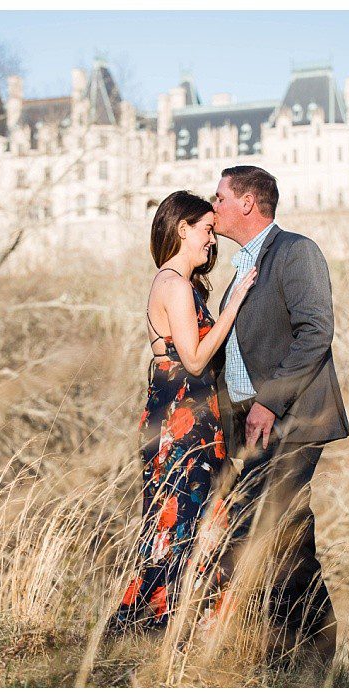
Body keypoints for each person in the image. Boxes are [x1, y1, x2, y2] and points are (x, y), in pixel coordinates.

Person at [209, 165, 349, 677]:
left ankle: (311, 655)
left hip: (293, 418)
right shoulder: (241, 269)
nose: (213, 205)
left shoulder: (296, 251)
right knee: (270, 530)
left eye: (219, 196)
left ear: (247, 202)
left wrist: (268, 401)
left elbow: (317, 330)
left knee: (272, 528)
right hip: (252, 425)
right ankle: (289, 656)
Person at [108, 190, 256, 633]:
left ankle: (188, 629)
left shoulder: (186, 285)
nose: (213, 240)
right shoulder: (171, 284)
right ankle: (149, 626)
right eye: (207, 230)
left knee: (203, 519)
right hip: (180, 420)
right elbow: (192, 359)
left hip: (197, 418)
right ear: (183, 229)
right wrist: (232, 307)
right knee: (177, 519)